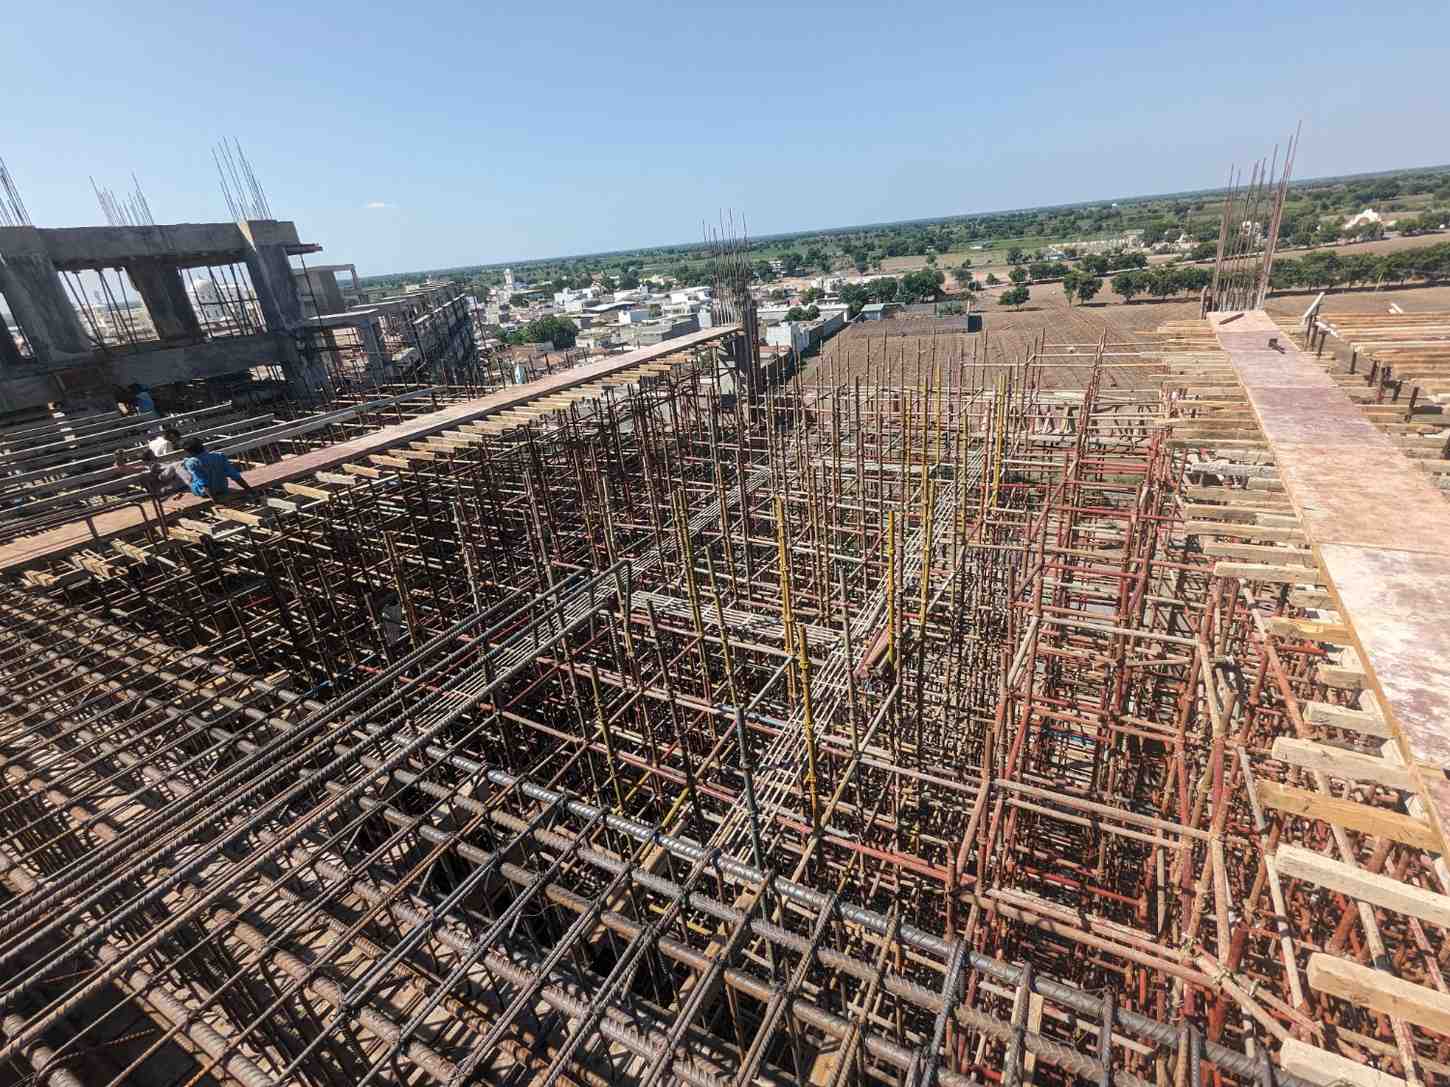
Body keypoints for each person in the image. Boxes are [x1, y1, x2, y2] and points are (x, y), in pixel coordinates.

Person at [180, 437, 252, 499]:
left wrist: (215, 500)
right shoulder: (219, 456)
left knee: (188, 475)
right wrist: (248, 489)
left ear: (189, 452)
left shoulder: (192, 463)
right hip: (222, 488)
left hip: (204, 492)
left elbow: (203, 483)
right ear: (203, 446)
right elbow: (234, 475)